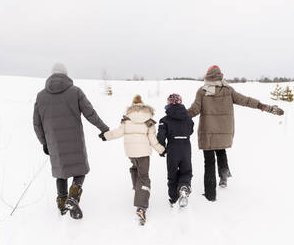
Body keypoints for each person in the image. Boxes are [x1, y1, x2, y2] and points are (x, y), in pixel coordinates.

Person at [187, 65, 284, 201]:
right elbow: (246, 100)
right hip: (224, 130)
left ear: (207, 76)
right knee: (221, 151)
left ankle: (210, 195)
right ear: (220, 75)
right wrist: (263, 106)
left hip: (208, 132)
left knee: (209, 162)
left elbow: (194, 110)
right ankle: (224, 175)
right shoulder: (228, 90)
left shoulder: (202, 91)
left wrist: (178, 115)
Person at [33, 63, 109, 219]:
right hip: (74, 140)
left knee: (61, 173)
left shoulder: (41, 96)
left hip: (54, 143)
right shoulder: (75, 92)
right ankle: (73, 197)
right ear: (66, 75)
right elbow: (90, 113)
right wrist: (104, 128)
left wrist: (44, 143)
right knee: (80, 170)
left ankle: (62, 205)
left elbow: (36, 123)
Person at [100, 95, 165, 225]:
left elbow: (118, 132)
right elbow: (153, 139)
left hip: (131, 153)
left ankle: (137, 189)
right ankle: (141, 206)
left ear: (132, 106)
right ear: (143, 106)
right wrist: (161, 150)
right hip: (143, 153)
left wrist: (106, 136)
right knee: (144, 176)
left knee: (135, 168)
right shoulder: (149, 120)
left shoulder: (127, 119)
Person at [157, 93, 194, 207]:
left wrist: (162, 148)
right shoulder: (188, 118)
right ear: (180, 102)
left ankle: (174, 198)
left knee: (172, 174)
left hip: (173, 148)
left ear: (168, 103)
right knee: (186, 171)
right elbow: (190, 131)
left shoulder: (164, 119)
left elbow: (161, 137)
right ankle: (184, 187)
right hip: (186, 147)